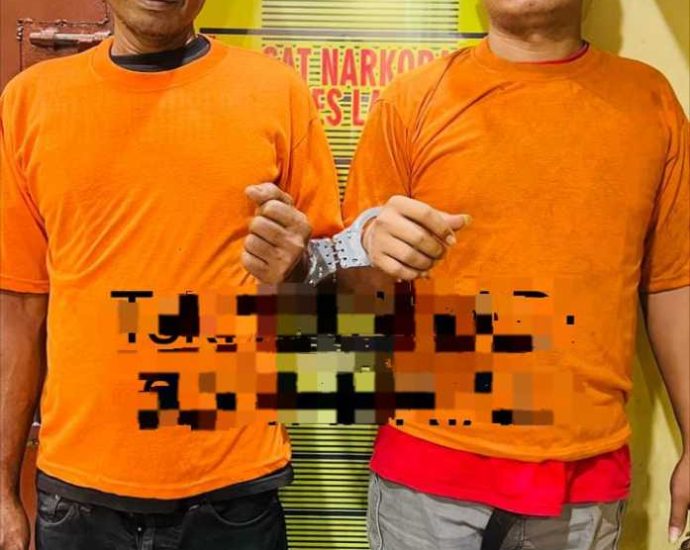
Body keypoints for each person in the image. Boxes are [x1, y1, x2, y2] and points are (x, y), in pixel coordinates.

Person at [342, 0, 689, 548]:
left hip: (585, 475)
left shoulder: (650, 100)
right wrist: (366, 252)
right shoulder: (411, 100)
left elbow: (673, 282)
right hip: (427, 467)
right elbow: (353, 304)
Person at [0, 0, 343, 548]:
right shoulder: (30, 101)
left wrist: (299, 270)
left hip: (234, 492)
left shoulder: (277, 92)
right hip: (79, 496)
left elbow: (334, 305)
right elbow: (19, 311)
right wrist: (2, 489)